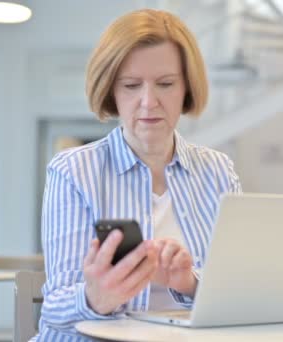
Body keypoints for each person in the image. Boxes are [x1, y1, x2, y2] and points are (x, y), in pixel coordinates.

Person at [37, 9, 242, 339]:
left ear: (186, 89)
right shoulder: (73, 171)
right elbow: (54, 309)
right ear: (111, 92)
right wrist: (95, 298)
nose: (149, 102)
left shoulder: (218, 172)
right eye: (131, 86)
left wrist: (188, 282)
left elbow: (238, 292)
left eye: (165, 84)